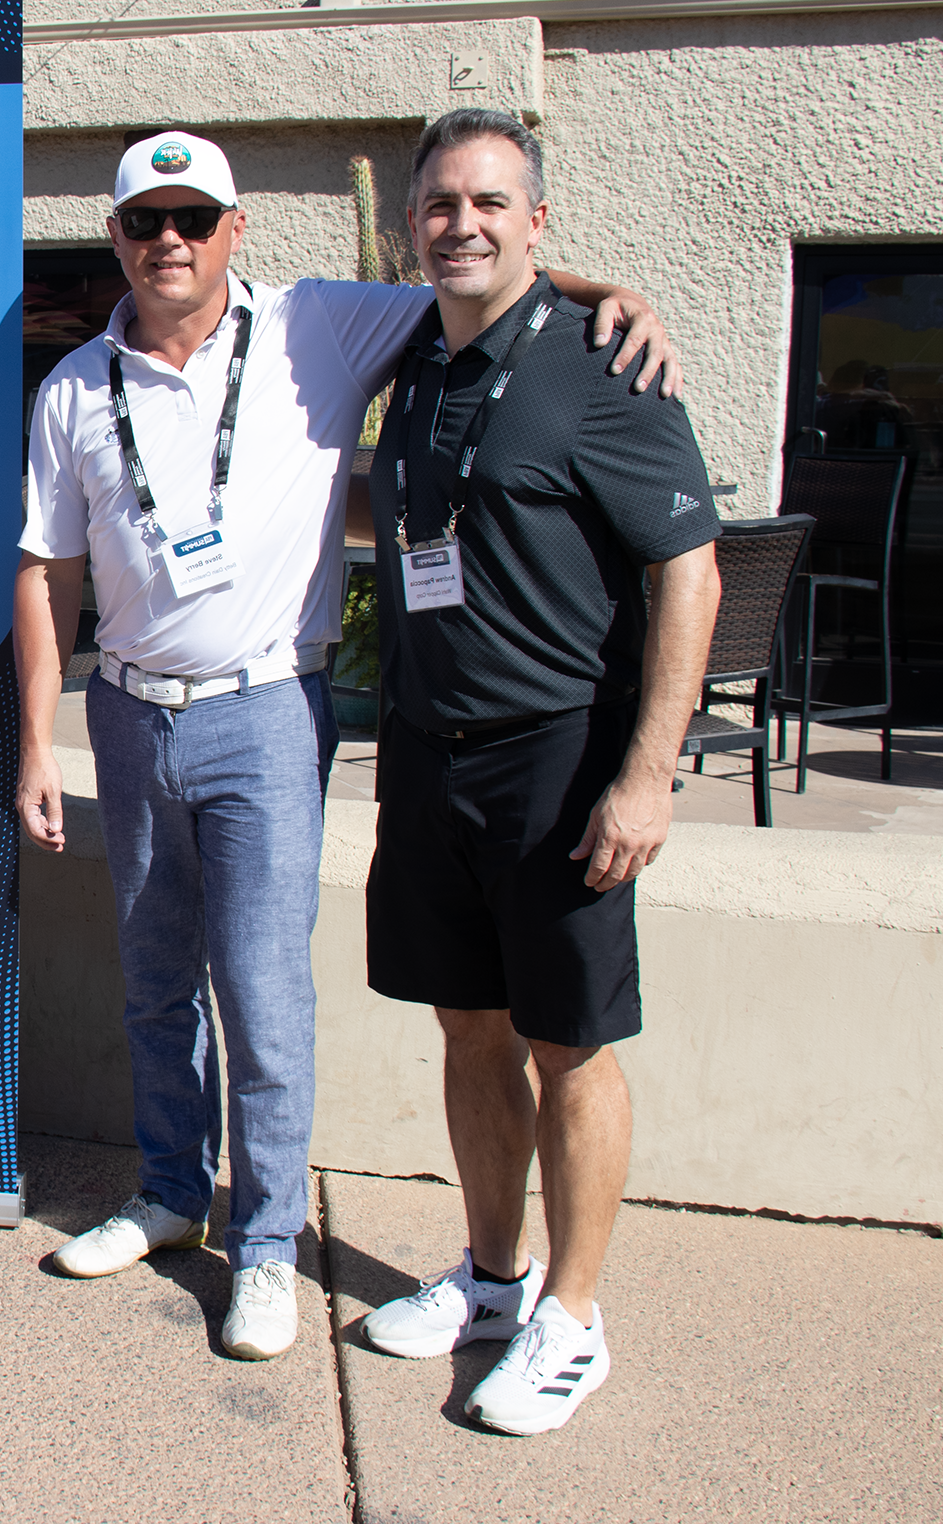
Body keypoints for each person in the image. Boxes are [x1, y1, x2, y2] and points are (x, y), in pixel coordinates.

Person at [16, 130, 680, 1360]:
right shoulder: (72, 388)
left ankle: (264, 1243)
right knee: (155, 977)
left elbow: (482, 274)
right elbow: (44, 566)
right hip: (130, 705)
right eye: (145, 222)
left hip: (268, 709)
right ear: (115, 236)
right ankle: (172, 1191)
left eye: (193, 219)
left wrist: (606, 292)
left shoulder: (320, 322)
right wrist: (37, 740)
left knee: (262, 992)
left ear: (234, 230)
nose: (170, 241)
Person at [356, 108, 721, 1434]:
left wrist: (650, 770)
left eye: (492, 202)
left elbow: (690, 567)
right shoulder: (420, 357)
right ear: (413, 221)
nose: (464, 222)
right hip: (428, 755)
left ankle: (574, 1315)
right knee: (468, 1024)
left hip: (560, 758)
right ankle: (497, 1275)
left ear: (539, 221)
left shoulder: (605, 368)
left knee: (572, 1044)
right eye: (442, 202)